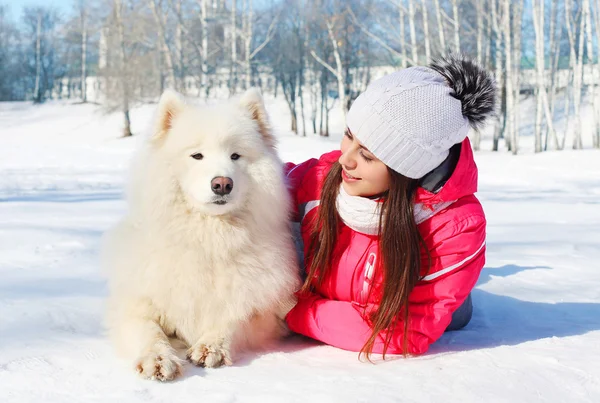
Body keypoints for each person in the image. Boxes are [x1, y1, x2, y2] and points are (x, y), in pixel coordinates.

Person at [283, 55, 497, 359]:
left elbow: (400, 332)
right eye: (348, 136)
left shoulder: (453, 228)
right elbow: (261, 186)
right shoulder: (326, 174)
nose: (346, 159)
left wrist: (294, 310)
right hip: (334, 296)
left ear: (406, 169)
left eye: (367, 155)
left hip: (414, 301)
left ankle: (459, 295)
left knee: (455, 314)